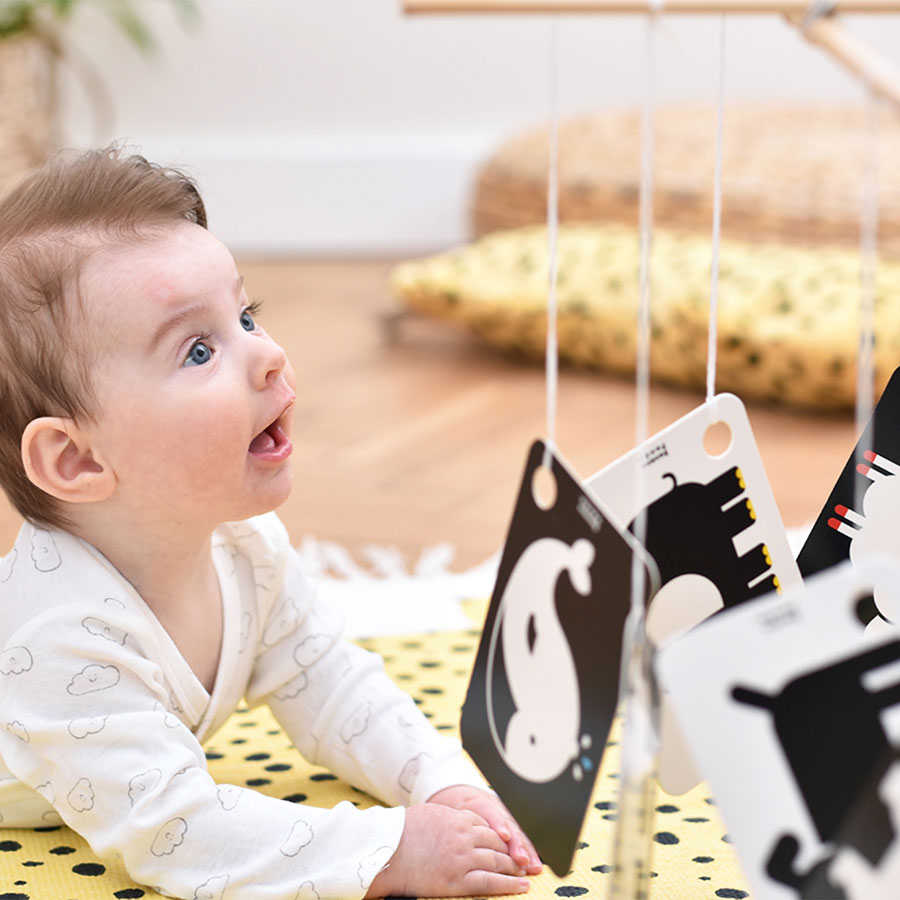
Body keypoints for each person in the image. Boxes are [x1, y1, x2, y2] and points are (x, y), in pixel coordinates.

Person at [0, 147, 541, 900]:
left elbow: (332, 682)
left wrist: (441, 784)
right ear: (76, 459)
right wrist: (390, 852)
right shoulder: (57, 640)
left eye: (247, 316)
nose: (268, 355)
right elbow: (175, 833)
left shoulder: (242, 547)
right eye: (197, 349)